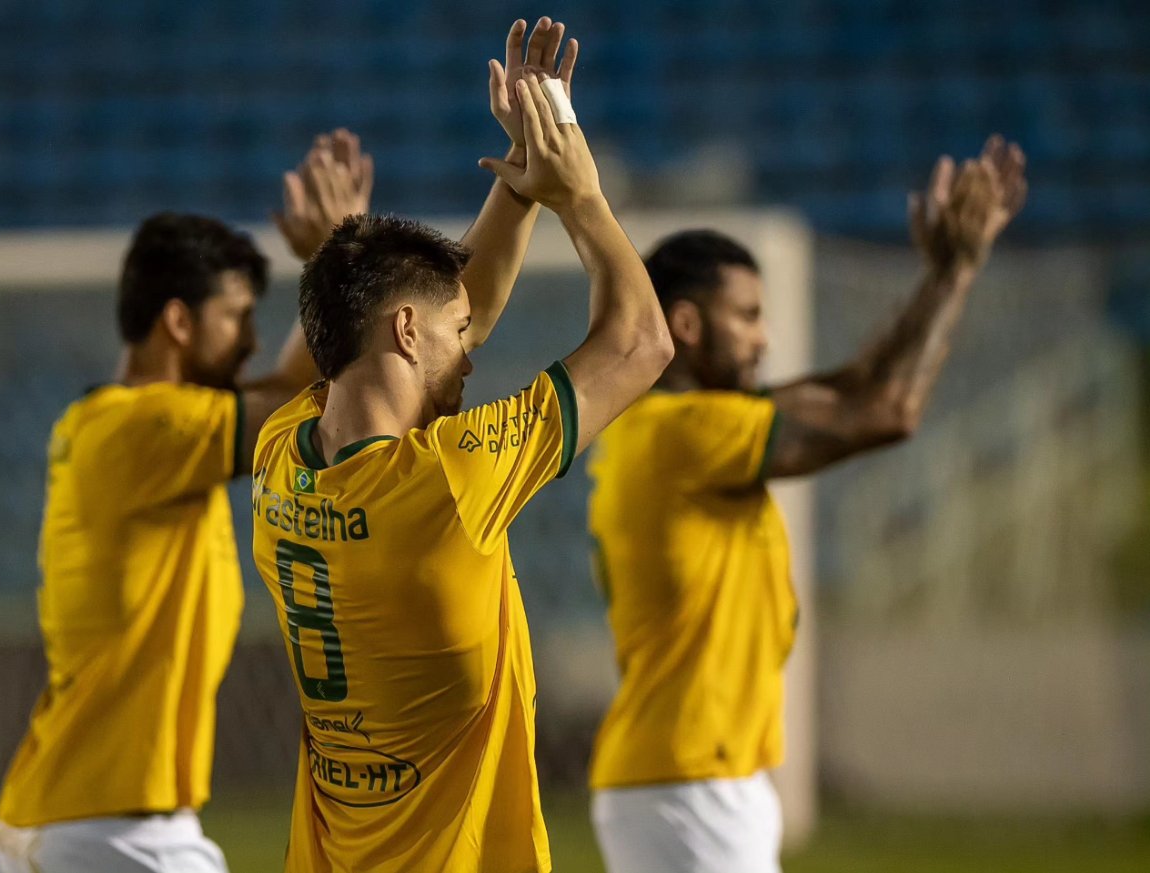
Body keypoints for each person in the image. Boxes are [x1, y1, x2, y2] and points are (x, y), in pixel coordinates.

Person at [249, 19, 674, 873]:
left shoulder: (281, 451)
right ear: (406, 331)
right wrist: (576, 192)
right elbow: (641, 343)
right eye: (454, 331)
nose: (473, 344)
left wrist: (516, 186)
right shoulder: (447, 481)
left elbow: (441, 312)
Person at [587, 137, 1029, 873]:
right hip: (692, 782)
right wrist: (956, 269)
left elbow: (856, 383)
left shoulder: (678, 426)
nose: (764, 338)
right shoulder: (685, 432)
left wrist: (937, 277)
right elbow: (888, 408)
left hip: (688, 779)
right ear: (689, 326)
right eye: (748, 316)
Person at [0, 131, 373, 873]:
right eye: (235, 317)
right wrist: (339, 258)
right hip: (113, 833)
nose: (250, 342)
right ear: (177, 322)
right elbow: (301, 393)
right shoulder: (143, 425)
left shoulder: (127, 434)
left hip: (73, 820)